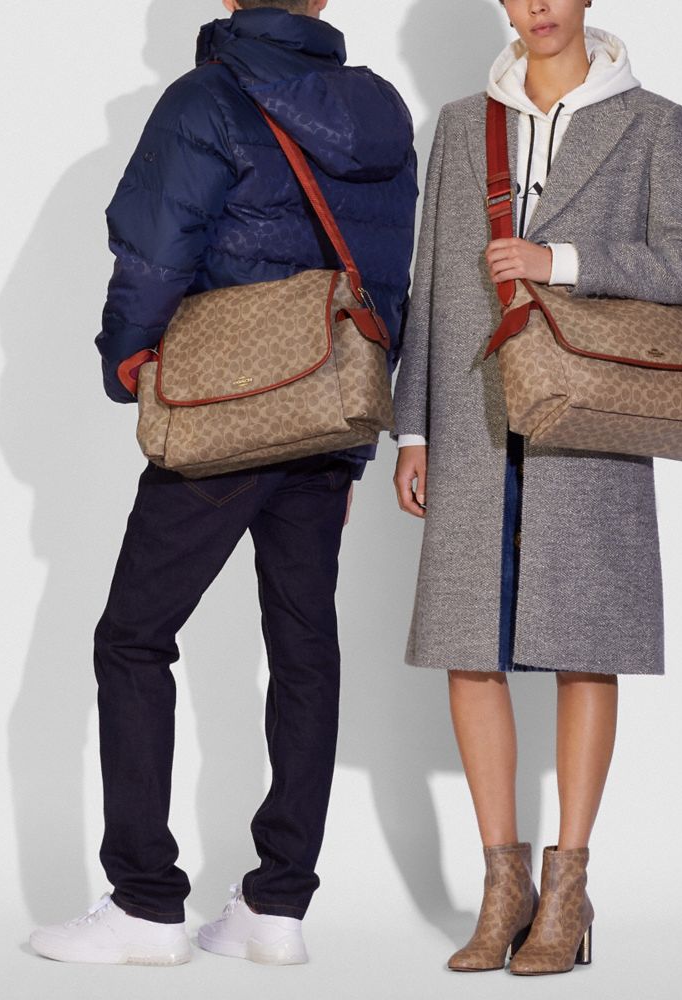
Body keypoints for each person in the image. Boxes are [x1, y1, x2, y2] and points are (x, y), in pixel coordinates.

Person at [29, 0, 416, 967]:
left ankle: (146, 906)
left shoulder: (204, 99)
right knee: (304, 648)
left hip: (227, 409)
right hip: (327, 409)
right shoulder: (380, 111)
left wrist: (128, 363)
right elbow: (388, 280)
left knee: (132, 638)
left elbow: (155, 249)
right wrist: (352, 440)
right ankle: (276, 908)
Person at [393, 0, 682, 976]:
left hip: (588, 417)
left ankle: (566, 891)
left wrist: (560, 262)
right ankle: (504, 890)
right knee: (467, 645)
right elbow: (431, 280)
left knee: (585, 644)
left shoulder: (650, 121)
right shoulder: (463, 125)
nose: (537, 6)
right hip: (472, 417)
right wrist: (413, 426)